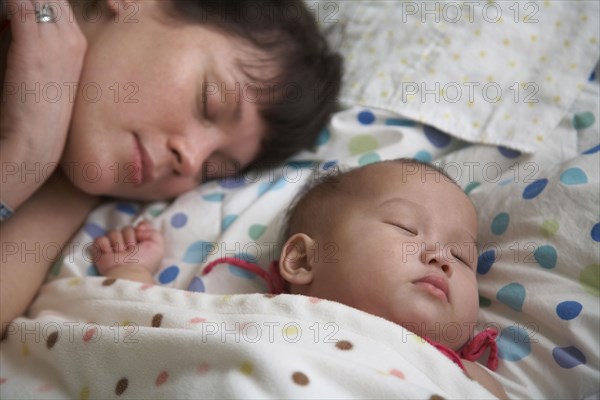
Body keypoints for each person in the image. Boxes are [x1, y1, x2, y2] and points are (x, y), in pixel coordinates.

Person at [0, 0, 342, 333]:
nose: (191, 159)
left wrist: (22, 157)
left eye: (212, 170)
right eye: (208, 102)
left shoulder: (66, 185)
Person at [91, 159, 509, 399]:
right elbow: (152, 330)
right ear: (303, 259)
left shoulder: (465, 375)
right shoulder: (267, 317)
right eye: (405, 228)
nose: (442, 259)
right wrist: (130, 273)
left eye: (462, 256)